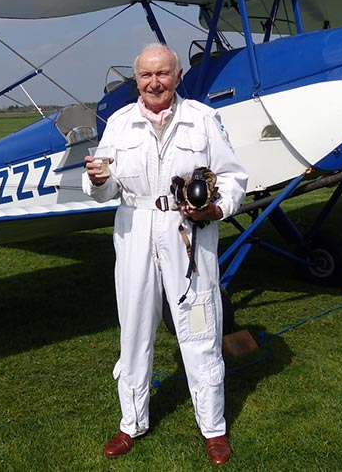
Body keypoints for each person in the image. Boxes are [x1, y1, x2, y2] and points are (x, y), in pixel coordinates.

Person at [82, 43, 248, 465]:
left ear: (176, 76)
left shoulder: (204, 120)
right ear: (136, 79)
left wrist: (216, 207)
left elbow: (233, 178)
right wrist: (98, 177)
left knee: (199, 327)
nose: (154, 82)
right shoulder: (119, 124)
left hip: (187, 238)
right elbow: (105, 188)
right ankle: (130, 423)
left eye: (163, 74)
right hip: (135, 232)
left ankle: (213, 428)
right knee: (134, 328)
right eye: (145, 75)